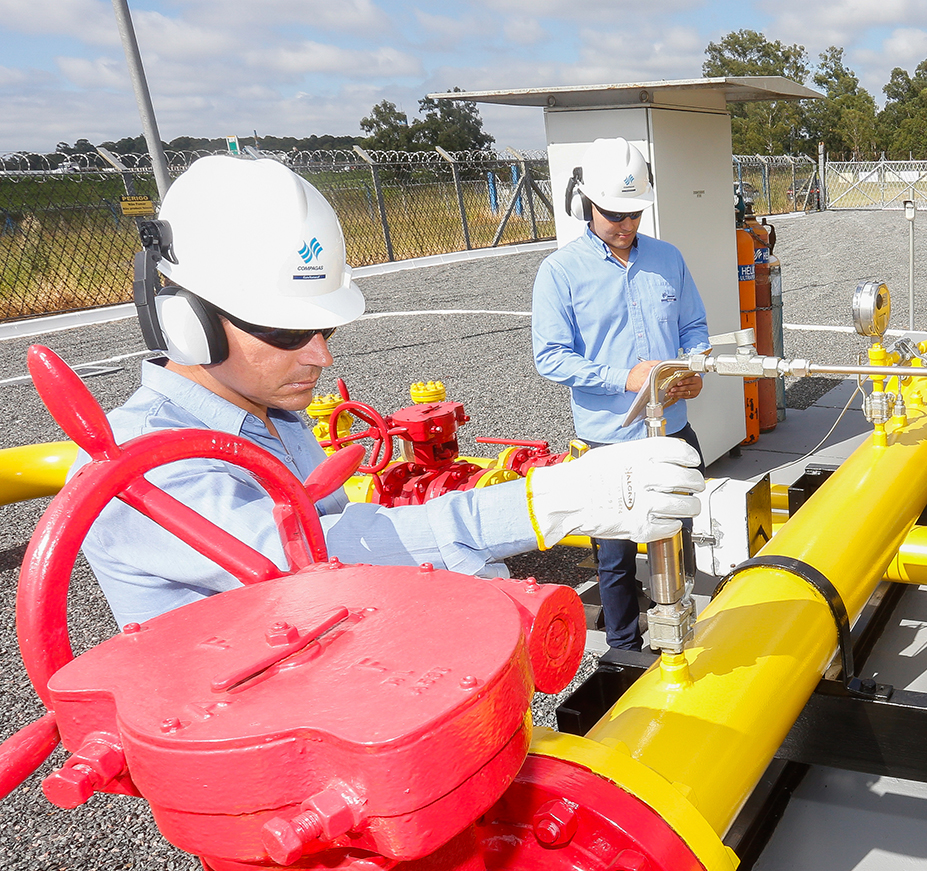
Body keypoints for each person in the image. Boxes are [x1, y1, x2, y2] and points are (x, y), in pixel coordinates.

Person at [78, 155, 705, 628]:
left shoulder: (272, 417)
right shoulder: (139, 463)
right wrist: (544, 504)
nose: (321, 356)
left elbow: (348, 528)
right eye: (290, 332)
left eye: (323, 329)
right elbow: (311, 556)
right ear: (183, 320)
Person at [531, 138, 710, 651]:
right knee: (612, 554)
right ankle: (625, 651)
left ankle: (680, 626)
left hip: (671, 428)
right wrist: (623, 377)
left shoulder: (667, 258)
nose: (627, 225)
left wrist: (693, 367)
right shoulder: (561, 272)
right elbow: (551, 357)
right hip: (607, 440)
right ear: (586, 202)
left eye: (634, 213)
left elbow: (694, 324)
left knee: (677, 534)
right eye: (615, 214)